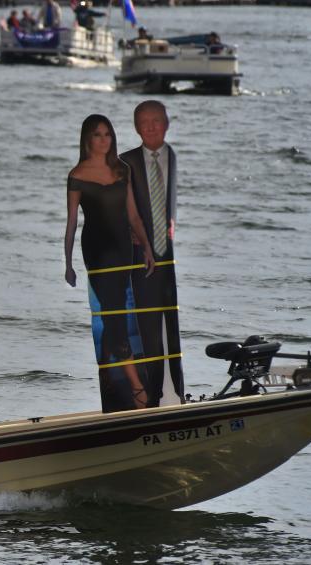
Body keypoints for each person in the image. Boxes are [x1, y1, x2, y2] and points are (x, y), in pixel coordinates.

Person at [64, 115, 155, 413]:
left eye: (107, 134)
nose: (103, 140)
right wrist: (68, 262)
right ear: (86, 139)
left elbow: (132, 215)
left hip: (123, 249)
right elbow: (72, 223)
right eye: (96, 135)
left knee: (115, 313)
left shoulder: (121, 170)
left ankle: (112, 380)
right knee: (114, 317)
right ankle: (137, 389)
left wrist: (147, 249)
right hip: (97, 251)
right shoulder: (77, 174)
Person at [119, 101, 185, 409]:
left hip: (166, 257)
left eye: (156, 120)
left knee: (168, 327)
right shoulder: (126, 162)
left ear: (167, 123)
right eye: (143, 122)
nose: (150, 126)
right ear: (136, 127)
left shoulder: (172, 157)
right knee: (146, 328)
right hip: (139, 258)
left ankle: (172, 392)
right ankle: (151, 394)